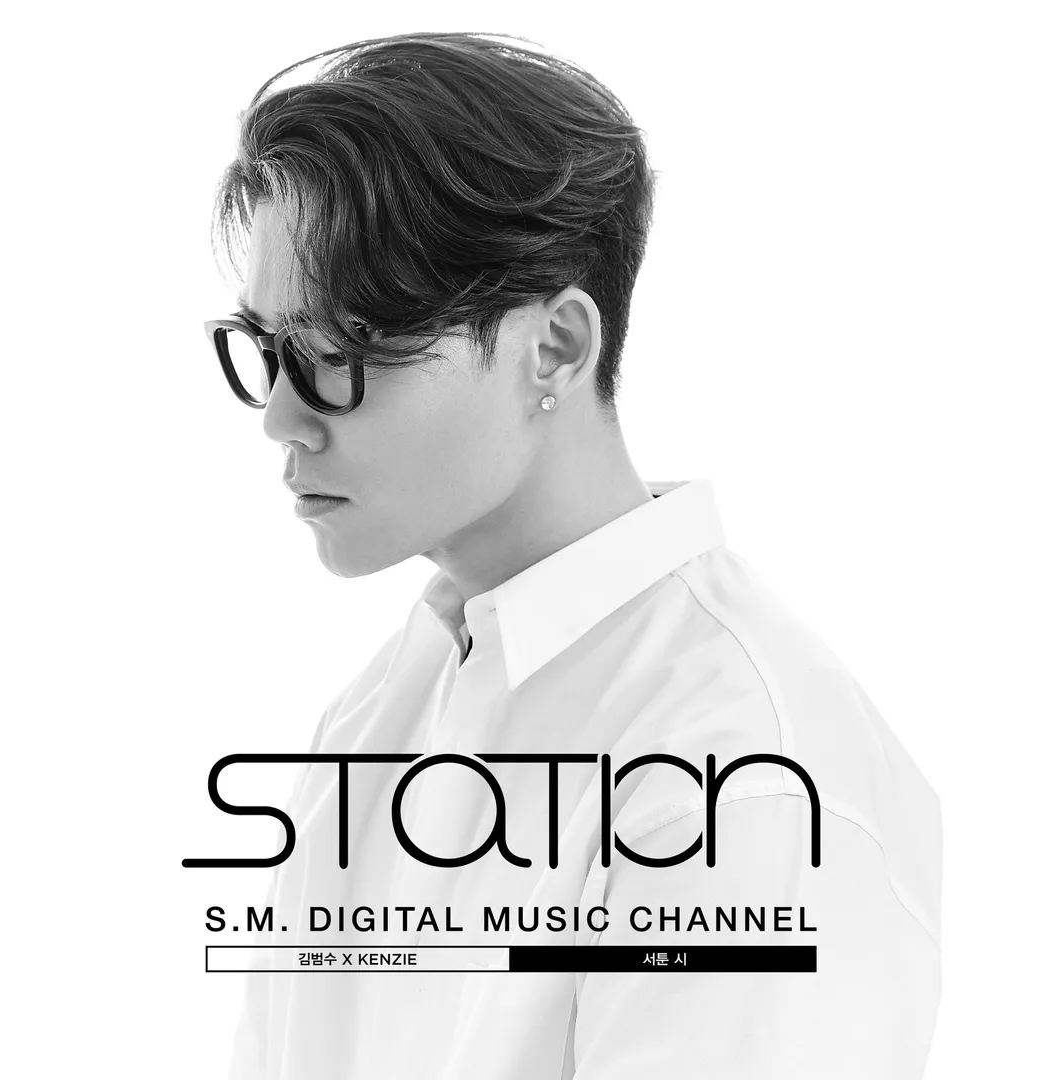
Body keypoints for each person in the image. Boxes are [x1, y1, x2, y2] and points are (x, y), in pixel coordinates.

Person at [204, 31, 942, 1080]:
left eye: (340, 351)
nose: (281, 417)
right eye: (268, 350)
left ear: (554, 347)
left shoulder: (742, 776)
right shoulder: (378, 713)